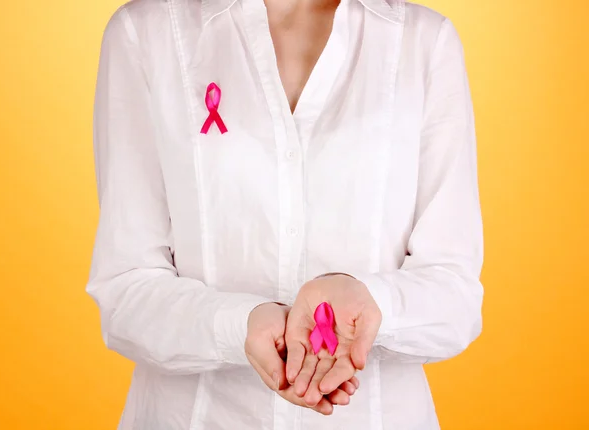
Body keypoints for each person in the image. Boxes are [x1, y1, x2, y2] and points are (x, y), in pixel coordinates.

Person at [86, 0, 484, 428]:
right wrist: (241, 325)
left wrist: (370, 302)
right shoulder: (146, 33)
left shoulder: (423, 41)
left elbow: (455, 293)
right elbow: (126, 291)